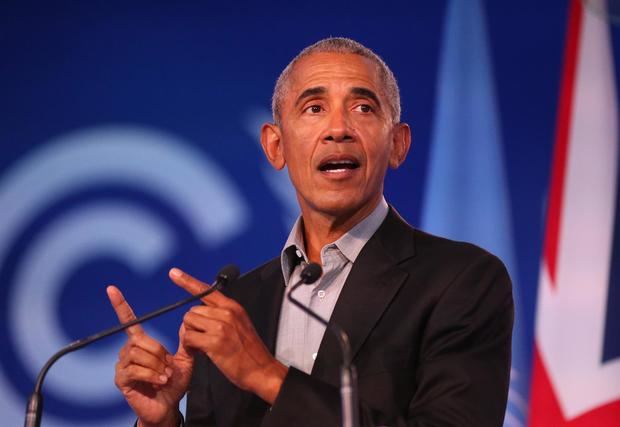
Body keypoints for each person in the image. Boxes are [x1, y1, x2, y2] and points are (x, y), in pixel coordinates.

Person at [107, 37, 513, 427]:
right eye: (315, 108)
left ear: (397, 144)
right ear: (275, 146)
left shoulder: (461, 281)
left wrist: (266, 375)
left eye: (363, 108)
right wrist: (160, 421)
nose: (339, 129)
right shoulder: (234, 307)